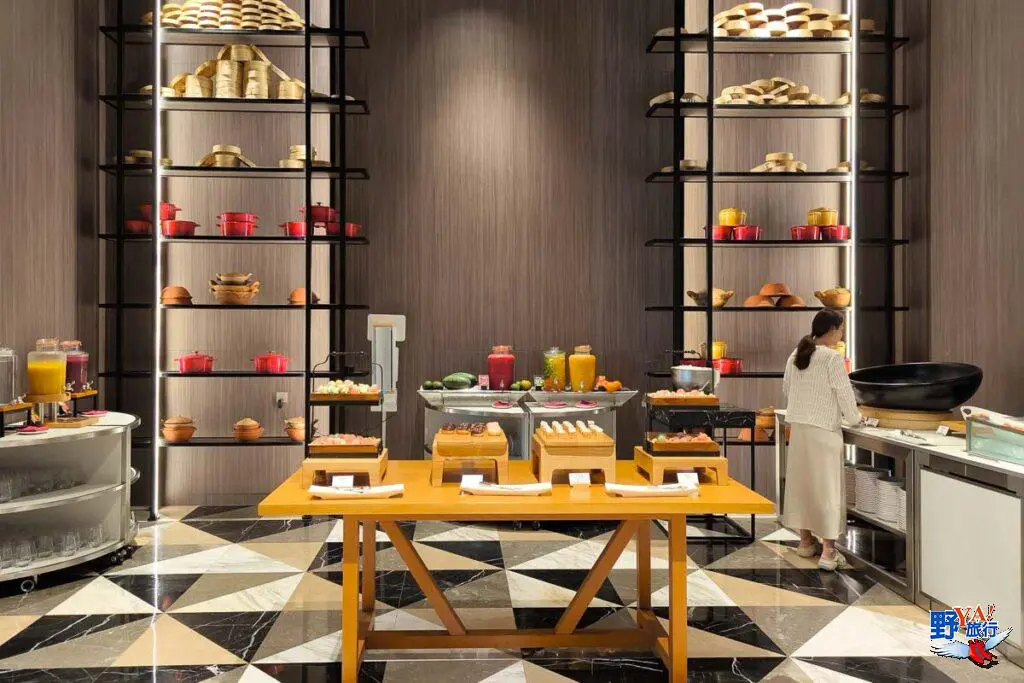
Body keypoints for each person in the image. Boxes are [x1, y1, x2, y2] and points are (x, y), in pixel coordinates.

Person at [780, 309, 861, 571]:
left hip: (800, 429)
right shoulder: (831, 358)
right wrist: (856, 419)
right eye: (841, 329)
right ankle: (828, 552)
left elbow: (787, 389)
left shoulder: (796, 354)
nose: (842, 334)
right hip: (825, 431)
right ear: (832, 329)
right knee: (827, 490)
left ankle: (805, 542)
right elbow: (845, 395)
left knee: (803, 486)